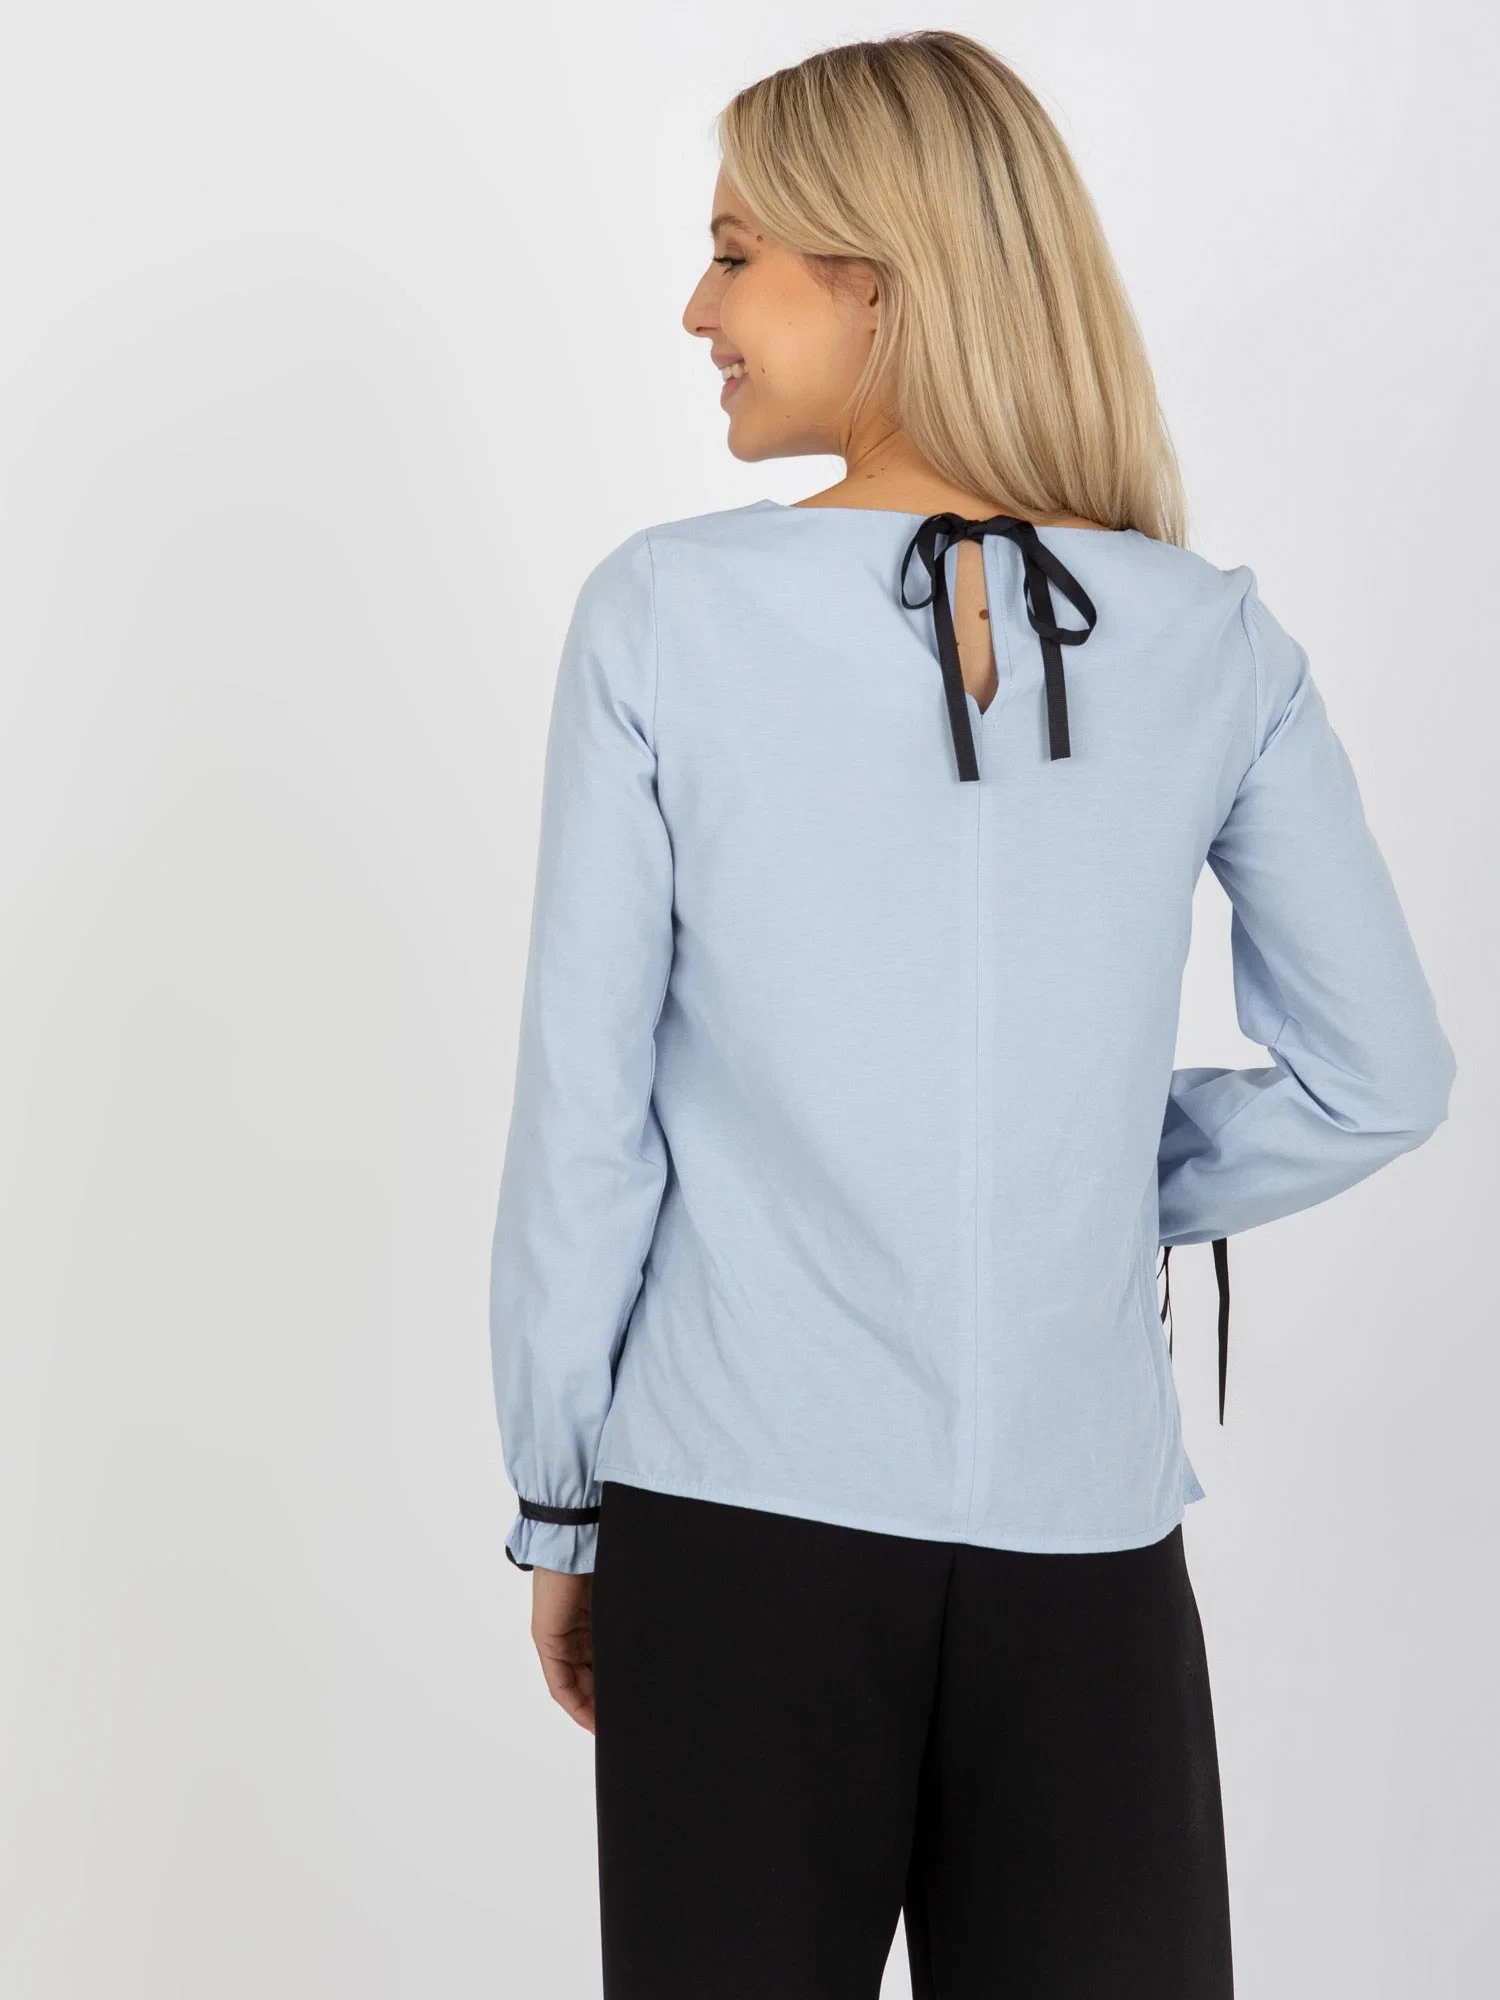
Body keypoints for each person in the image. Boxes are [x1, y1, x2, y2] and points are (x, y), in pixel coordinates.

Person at [487, 29, 1456, 2000]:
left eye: (736, 254)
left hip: (734, 1520)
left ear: (880, 279)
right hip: (1085, 1547)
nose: (698, 310)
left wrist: (562, 1501)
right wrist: (1069, 1175)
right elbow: (1382, 1077)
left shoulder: (664, 615)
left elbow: (589, 1116)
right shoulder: (1209, 637)